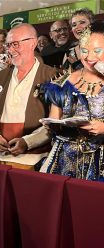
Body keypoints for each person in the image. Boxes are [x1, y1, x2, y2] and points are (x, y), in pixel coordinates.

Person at [0, 23, 57, 170]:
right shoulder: (1, 76)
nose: (10, 50)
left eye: (15, 44)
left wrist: (28, 142)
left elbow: (55, 122)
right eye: (8, 45)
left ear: (33, 43)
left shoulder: (51, 76)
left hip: (34, 160)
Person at [40, 22, 104, 181]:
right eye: (84, 51)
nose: (89, 57)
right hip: (65, 162)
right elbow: (55, 120)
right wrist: (53, 125)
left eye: (97, 51)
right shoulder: (62, 83)